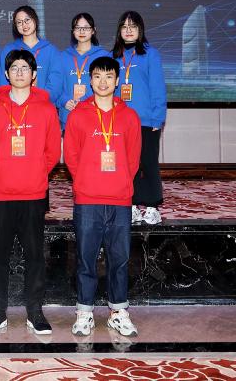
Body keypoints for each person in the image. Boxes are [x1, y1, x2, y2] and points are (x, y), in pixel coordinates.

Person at [0, 49, 61, 336]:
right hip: (1, 193)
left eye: (25, 68)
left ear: (34, 74)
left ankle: (35, 311)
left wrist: (35, 171)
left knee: (35, 255)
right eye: (14, 67)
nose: (20, 72)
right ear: (6, 73)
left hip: (33, 192)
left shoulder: (47, 109)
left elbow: (52, 151)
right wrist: (4, 170)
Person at [63, 56, 141, 338]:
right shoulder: (78, 115)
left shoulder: (130, 116)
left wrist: (120, 182)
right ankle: (84, 312)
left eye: (109, 76)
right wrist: (85, 180)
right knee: (86, 258)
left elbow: (133, 159)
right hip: (88, 199)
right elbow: (71, 157)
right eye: (97, 76)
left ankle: (118, 312)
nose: (103, 82)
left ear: (117, 80)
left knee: (119, 259)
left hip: (119, 199)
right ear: (90, 80)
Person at [111, 11, 167, 225]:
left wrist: (157, 118)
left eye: (132, 26)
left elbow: (157, 87)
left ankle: (152, 206)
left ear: (140, 30)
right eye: (124, 27)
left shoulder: (150, 54)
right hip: (121, 121)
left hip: (146, 121)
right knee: (127, 165)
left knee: (148, 163)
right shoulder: (113, 56)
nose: (128, 30)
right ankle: (132, 204)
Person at [58, 13, 111, 131]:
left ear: (93, 30)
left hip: (95, 117)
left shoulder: (104, 56)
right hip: (68, 115)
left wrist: (86, 101)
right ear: (73, 31)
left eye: (86, 28)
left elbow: (109, 86)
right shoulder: (62, 57)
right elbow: (56, 86)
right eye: (78, 28)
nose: (82, 31)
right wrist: (64, 101)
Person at [1, 6, 63, 105]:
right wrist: (15, 103)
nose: (24, 25)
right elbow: (3, 81)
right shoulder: (9, 50)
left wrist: (42, 101)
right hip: (15, 107)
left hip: (43, 105)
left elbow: (56, 83)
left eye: (27, 20)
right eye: (19, 22)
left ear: (35, 20)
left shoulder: (51, 50)